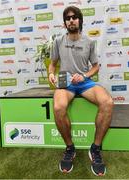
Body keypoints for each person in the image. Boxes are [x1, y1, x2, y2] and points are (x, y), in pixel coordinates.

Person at [48, 5, 113, 176]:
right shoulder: (58, 41)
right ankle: (70, 148)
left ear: (80, 21)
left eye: (74, 17)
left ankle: (96, 149)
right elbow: (53, 64)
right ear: (65, 23)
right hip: (65, 84)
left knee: (107, 102)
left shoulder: (89, 42)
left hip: (84, 83)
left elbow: (96, 67)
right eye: (68, 18)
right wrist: (51, 75)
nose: (71, 20)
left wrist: (84, 75)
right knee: (58, 107)